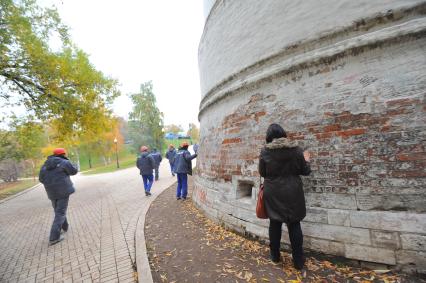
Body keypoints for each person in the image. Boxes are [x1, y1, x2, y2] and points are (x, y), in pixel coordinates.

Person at [258, 123, 311, 270]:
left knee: (275, 224)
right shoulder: (296, 150)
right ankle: (298, 261)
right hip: (293, 191)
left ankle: (275, 256)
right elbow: (305, 171)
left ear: (269, 136)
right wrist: (306, 159)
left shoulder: (265, 152)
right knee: (294, 224)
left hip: (273, 191)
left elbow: (262, 172)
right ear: (283, 133)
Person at [39, 148, 78, 245]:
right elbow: (73, 171)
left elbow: (41, 179)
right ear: (63, 154)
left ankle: (64, 227)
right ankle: (54, 237)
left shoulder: (44, 165)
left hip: (51, 192)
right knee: (60, 212)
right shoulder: (64, 162)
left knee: (58, 211)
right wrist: (74, 164)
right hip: (63, 191)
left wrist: (51, 183)